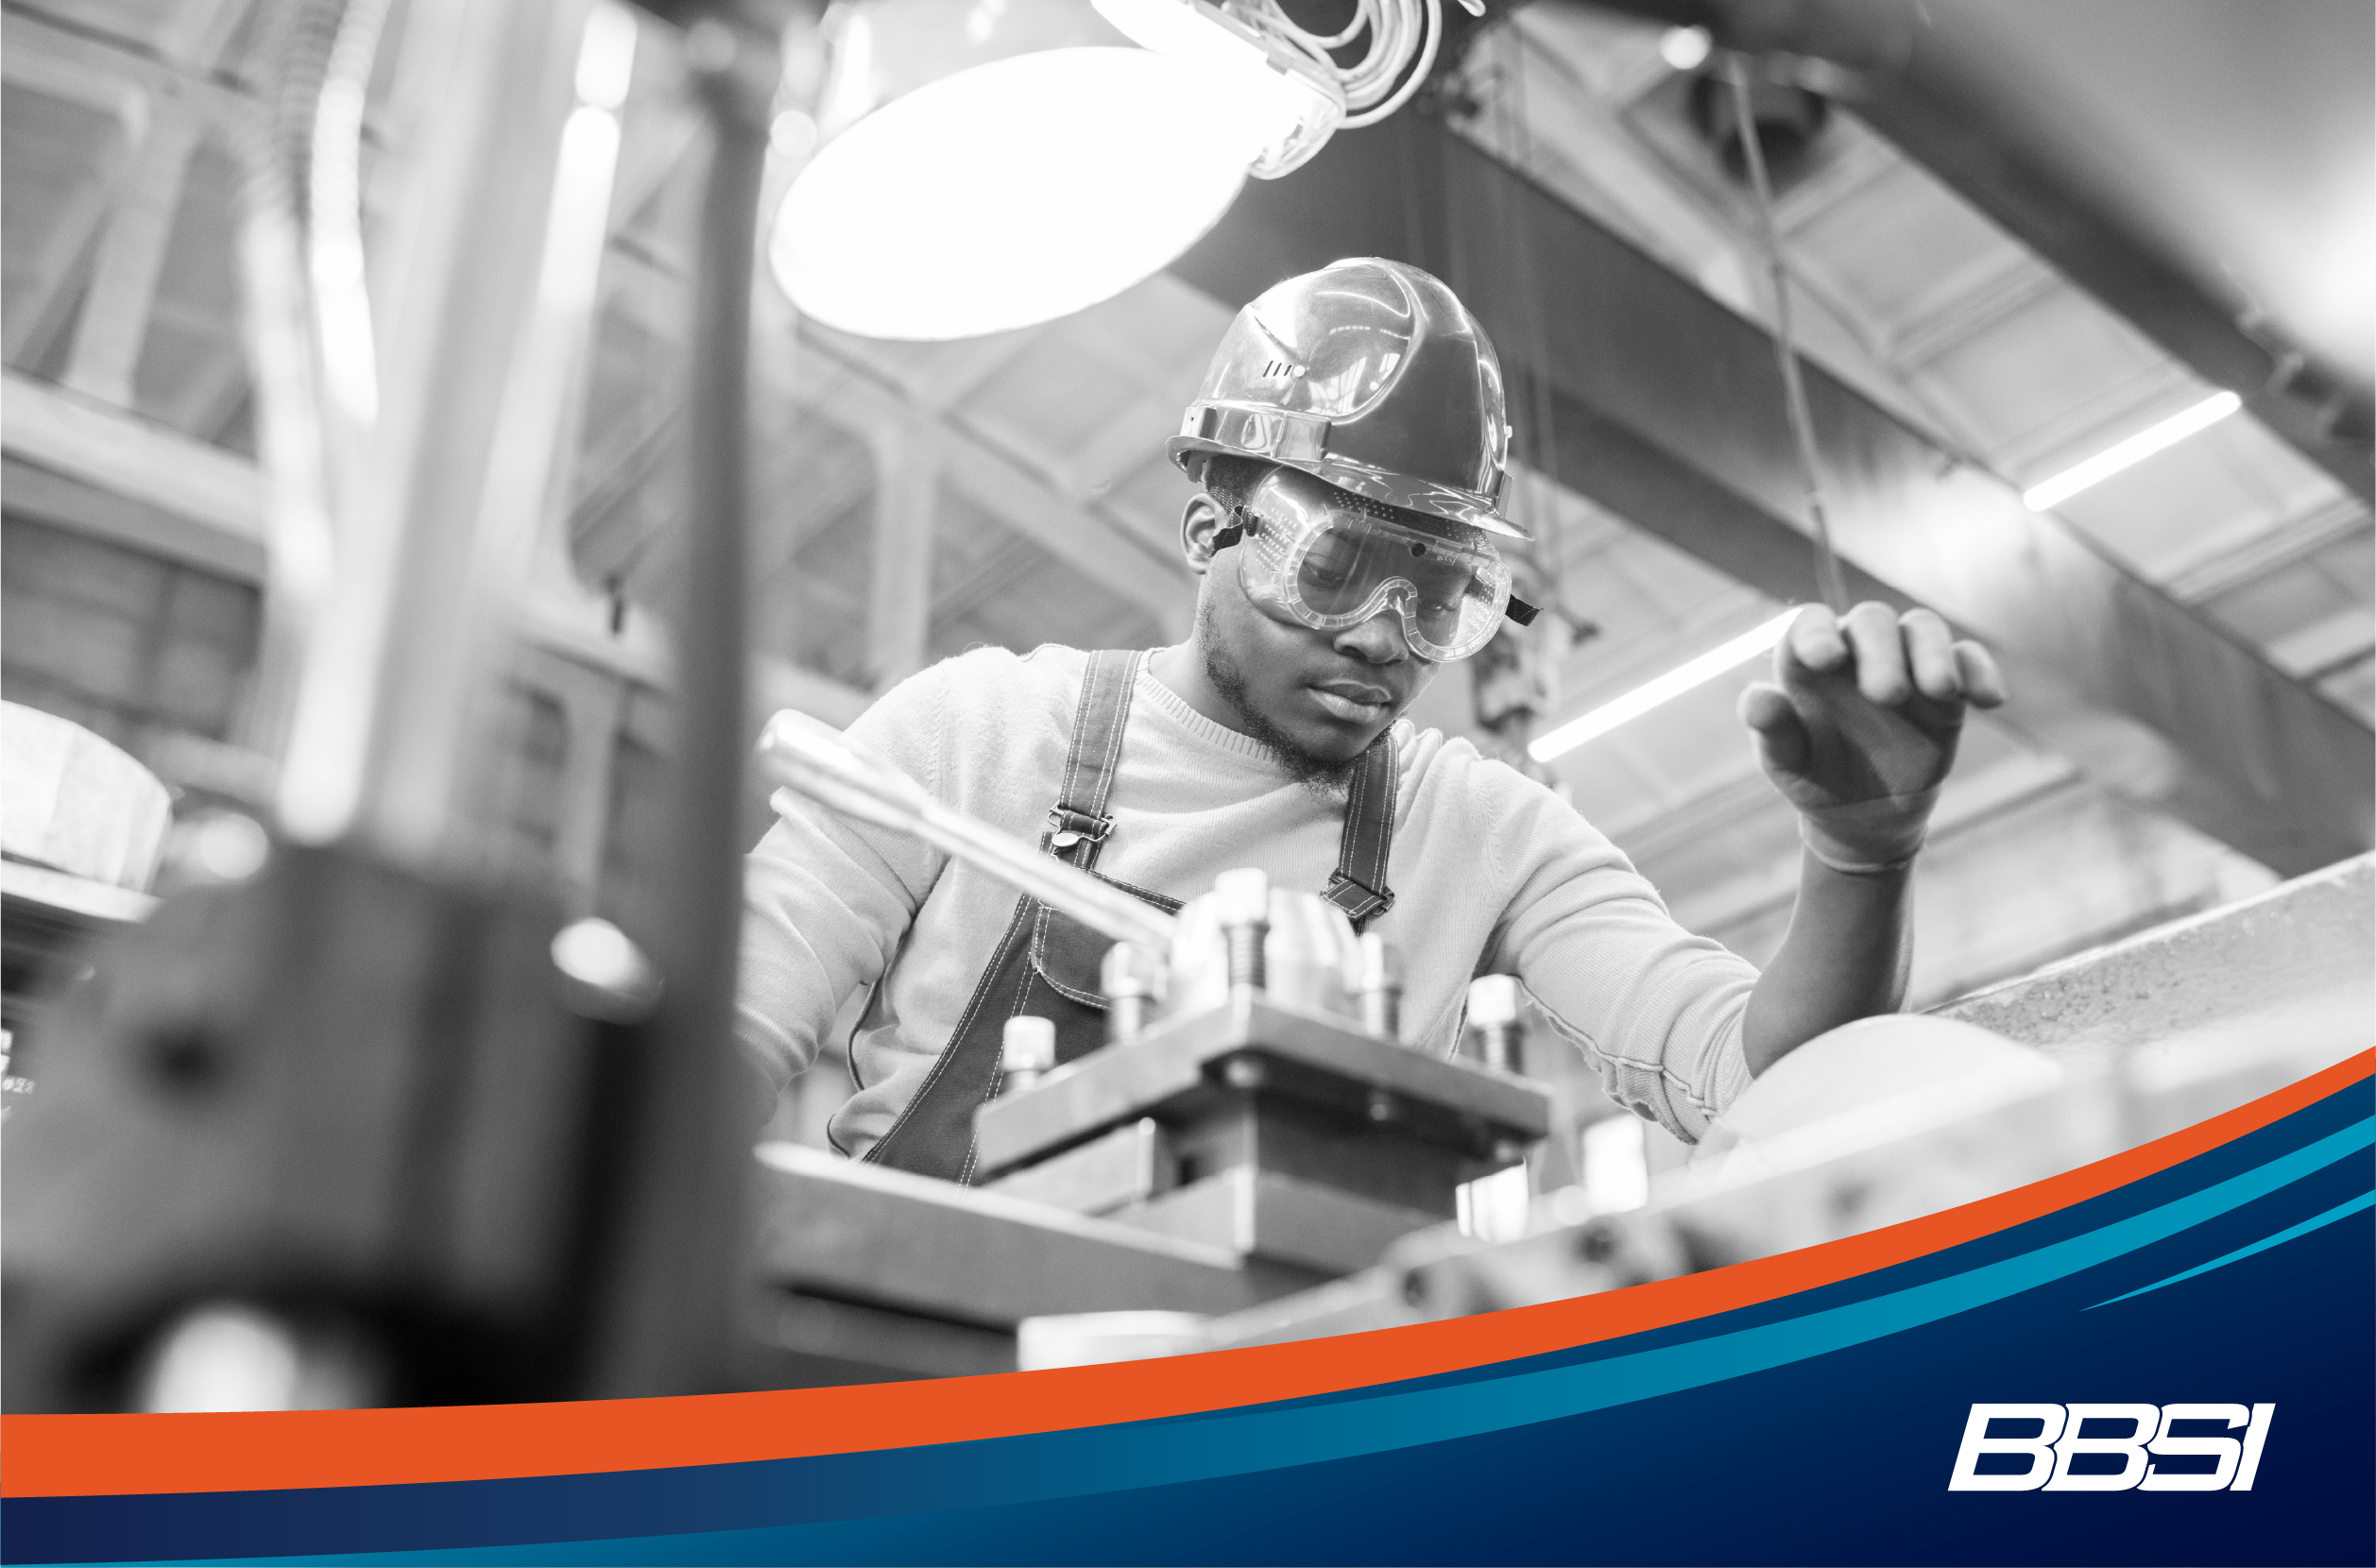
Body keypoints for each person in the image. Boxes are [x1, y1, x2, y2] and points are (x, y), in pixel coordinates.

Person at [738, 257, 2005, 1182]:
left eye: (1441, 593)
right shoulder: (967, 737)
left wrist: (1857, 860)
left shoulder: (1484, 832)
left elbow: (1757, 1079)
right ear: (1208, 531)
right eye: (1332, 565)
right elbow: (729, 1037)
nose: (1383, 637)